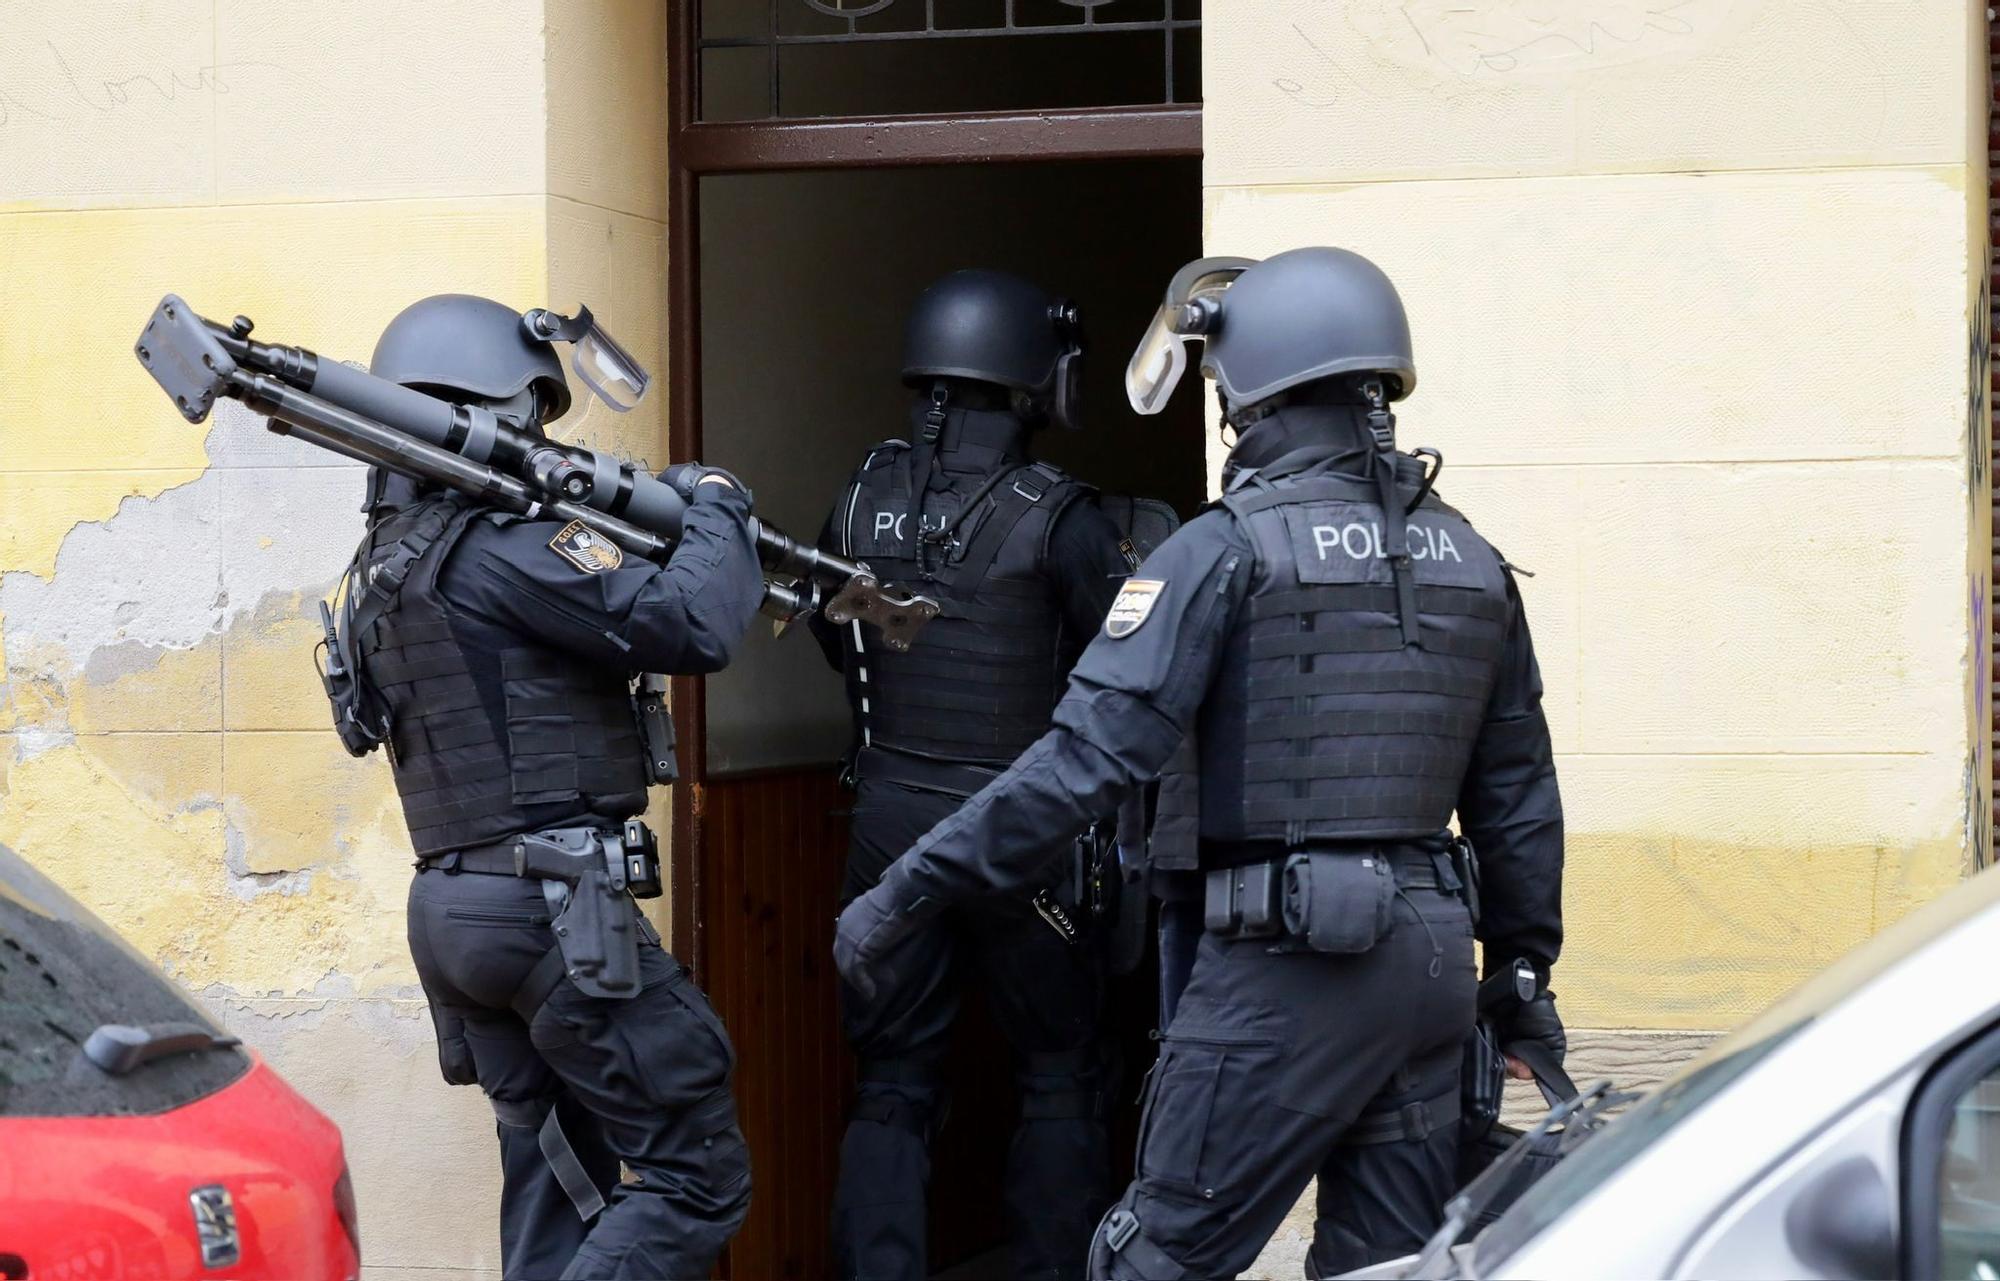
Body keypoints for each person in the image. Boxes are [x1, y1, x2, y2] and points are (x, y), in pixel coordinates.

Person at [834, 248, 1567, 1278]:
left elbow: (1085, 759)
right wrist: (1523, 968)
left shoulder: (1222, 550)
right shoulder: (1470, 559)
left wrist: (902, 892)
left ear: (1251, 393)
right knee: (1383, 1263)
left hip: (1284, 962)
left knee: (1153, 1258)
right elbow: (1516, 790)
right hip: (1431, 967)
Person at [327, 294, 761, 1280]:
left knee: (558, 1177)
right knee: (695, 1180)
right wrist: (718, 505)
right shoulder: (505, 550)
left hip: (455, 909)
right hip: (549, 912)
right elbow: (690, 623)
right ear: (501, 408)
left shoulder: (385, 571)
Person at [810, 269, 1136, 1281]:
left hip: (885, 824)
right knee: (1057, 1074)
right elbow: (1127, 674)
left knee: (892, 1082)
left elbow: (840, 646)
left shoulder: (857, 499)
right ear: (1032, 378)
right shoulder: (1065, 518)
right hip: (1022, 830)